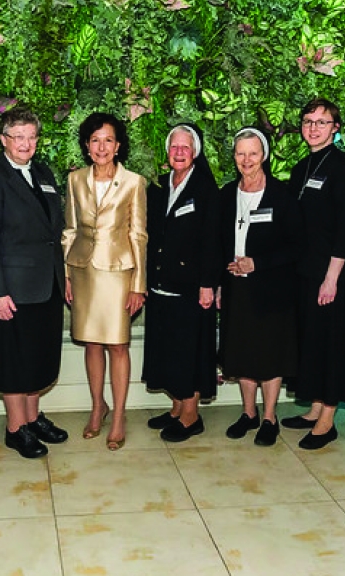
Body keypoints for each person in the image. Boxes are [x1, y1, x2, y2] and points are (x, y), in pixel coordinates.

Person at [0, 106, 69, 459]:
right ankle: (16, 429)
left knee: (38, 358)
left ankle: (32, 417)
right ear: (4, 140)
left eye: (31, 136)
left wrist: (64, 277)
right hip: (11, 290)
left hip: (46, 285)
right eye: (18, 137)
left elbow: (53, 232)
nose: (26, 143)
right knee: (14, 360)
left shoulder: (42, 172)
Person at [62, 112, 148, 451]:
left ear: (118, 145)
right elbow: (69, 231)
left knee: (118, 345)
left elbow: (138, 234)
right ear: (86, 145)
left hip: (118, 274)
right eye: (95, 140)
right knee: (92, 343)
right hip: (83, 271)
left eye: (108, 140)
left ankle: (120, 415)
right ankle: (98, 406)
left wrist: (138, 284)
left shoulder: (133, 182)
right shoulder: (74, 180)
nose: (102, 147)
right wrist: (67, 275)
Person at [282, 99, 345, 450]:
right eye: (308, 121)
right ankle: (314, 409)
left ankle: (327, 419)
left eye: (322, 122)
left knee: (330, 345)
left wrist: (332, 278)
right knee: (310, 342)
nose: (313, 128)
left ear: (335, 128)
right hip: (303, 272)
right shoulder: (302, 167)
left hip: (330, 275)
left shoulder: (342, 168)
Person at [217, 127, 297, 446]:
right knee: (242, 352)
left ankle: (269, 417)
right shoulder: (226, 195)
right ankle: (249, 413)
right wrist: (220, 283)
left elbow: (295, 246)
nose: (246, 160)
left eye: (252, 153)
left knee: (270, 354)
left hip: (272, 288)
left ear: (263, 155)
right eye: (240, 153)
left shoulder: (282, 195)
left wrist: (257, 263)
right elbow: (217, 243)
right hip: (235, 287)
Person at [142, 124, 220, 443]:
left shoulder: (204, 189)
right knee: (168, 351)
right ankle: (176, 407)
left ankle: (191, 415)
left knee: (189, 352)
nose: (178, 152)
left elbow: (213, 241)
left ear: (195, 152)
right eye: (174, 146)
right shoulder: (160, 186)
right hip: (161, 284)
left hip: (191, 287)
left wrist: (207, 284)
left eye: (185, 147)